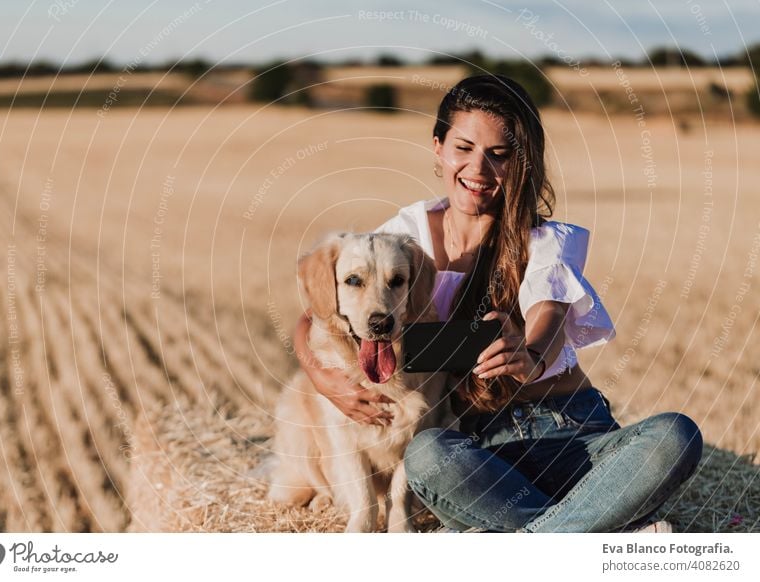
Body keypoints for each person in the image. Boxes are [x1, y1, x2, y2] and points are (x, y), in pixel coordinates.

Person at [292, 74, 702, 532]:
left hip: (572, 436)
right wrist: (322, 378)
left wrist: (525, 354)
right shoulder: (403, 236)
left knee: (675, 436)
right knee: (428, 454)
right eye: (463, 148)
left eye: (500, 154)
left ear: (520, 163)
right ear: (438, 147)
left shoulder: (545, 240)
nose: (479, 169)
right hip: (480, 451)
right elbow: (317, 314)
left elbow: (548, 317)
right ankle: (593, 531)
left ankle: (536, 537)